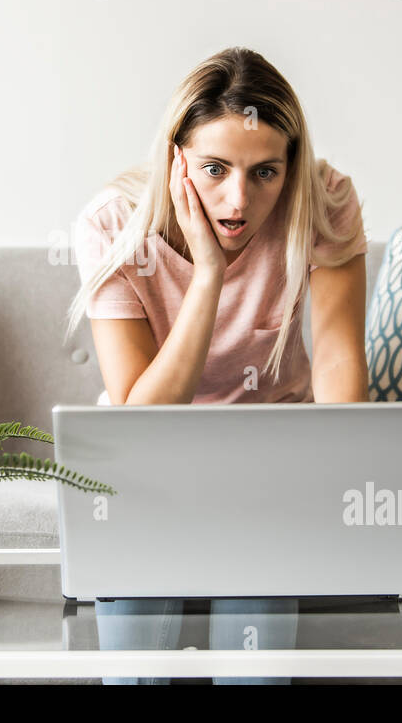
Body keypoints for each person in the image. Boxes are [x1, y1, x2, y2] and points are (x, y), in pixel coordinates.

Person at [63, 46, 371, 684]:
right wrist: (208, 274)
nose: (238, 201)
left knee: (253, 666)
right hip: (142, 466)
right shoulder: (113, 225)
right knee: (136, 672)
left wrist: (346, 478)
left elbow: (340, 357)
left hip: (270, 463)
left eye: (265, 172)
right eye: (214, 169)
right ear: (176, 159)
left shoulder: (324, 202)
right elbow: (142, 418)